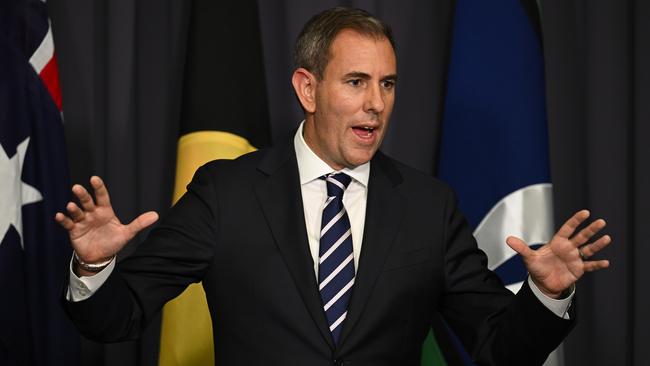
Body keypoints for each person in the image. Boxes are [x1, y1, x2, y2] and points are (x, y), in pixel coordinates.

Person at [56, 7, 611, 365]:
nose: (377, 103)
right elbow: (117, 319)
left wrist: (547, 294)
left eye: (387, 84)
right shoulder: (227, 191)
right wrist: (94, 269)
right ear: (308, 88)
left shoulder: (427, 206)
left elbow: (497, 349)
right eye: (356, 82)